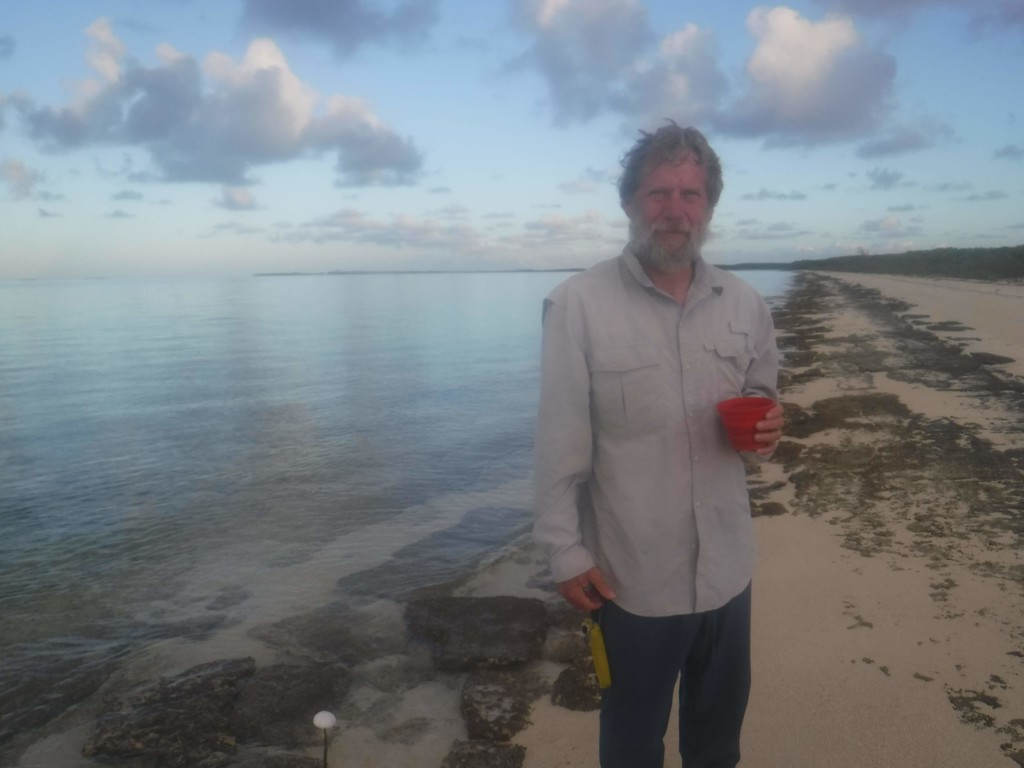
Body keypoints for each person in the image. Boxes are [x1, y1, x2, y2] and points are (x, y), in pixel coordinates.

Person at [532, 122, 784, 768]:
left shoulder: (746, 304)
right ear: (629, 202)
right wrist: (565, 552)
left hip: (728, 571)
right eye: (659, 193)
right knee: (631, 745)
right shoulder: (576, 306)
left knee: (717, 743)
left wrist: (767, 427)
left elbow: (762, 399)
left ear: (709, 207)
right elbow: (559, 443)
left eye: (691, 194)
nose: (675, 210)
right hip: (632, 581)